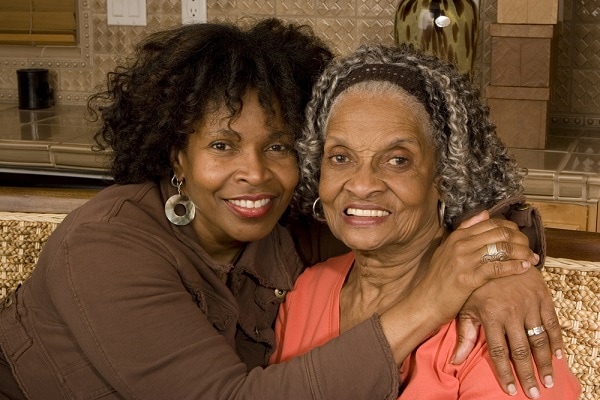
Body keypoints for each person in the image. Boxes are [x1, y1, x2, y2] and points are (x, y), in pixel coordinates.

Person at [0, 18, 558, 399]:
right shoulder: (105, 247)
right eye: (222, 145)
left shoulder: (282, 220)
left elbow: (400, 214)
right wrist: (435, 299)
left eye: (279, 146)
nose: (256, 173)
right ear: (178, 153)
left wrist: (499, 265)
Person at [270, 43, 581, 399]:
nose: (361, 184)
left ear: (444, 176)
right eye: (340, 157)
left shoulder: (494, 320)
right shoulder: (306, 293)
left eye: (398, 160)